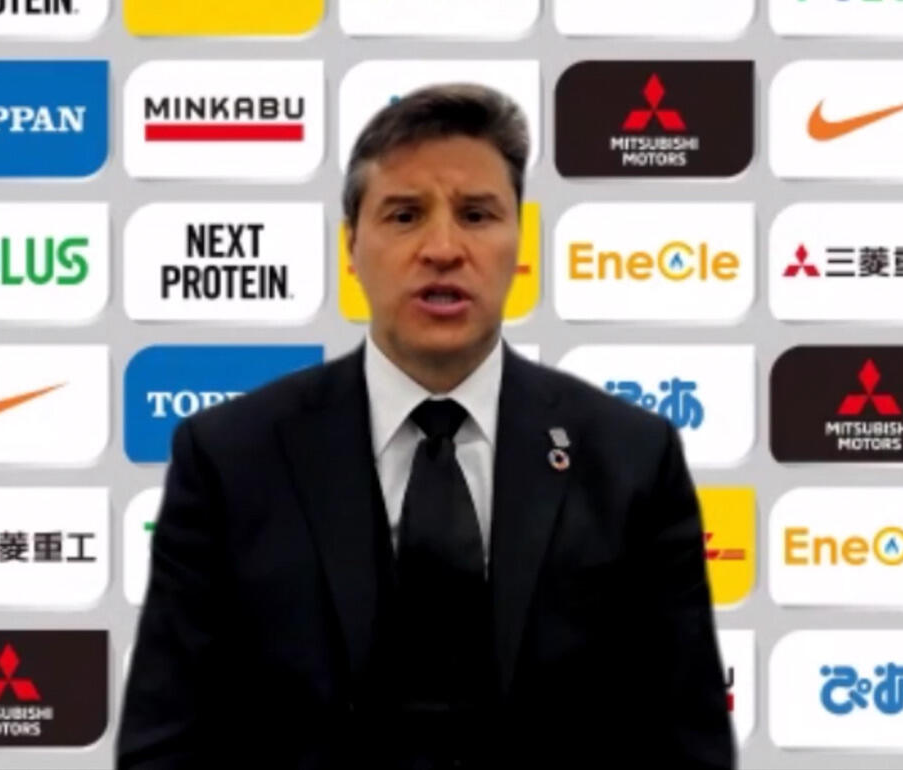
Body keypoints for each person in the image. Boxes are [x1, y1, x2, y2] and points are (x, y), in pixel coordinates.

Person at [117, 83, 735, 769]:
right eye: (405, 215)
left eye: (476, 215)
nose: (443, 248)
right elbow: (164, 746)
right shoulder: (230, 459)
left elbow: (689, 748)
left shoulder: (631, 459)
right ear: (352, 247)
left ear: (519, 243)